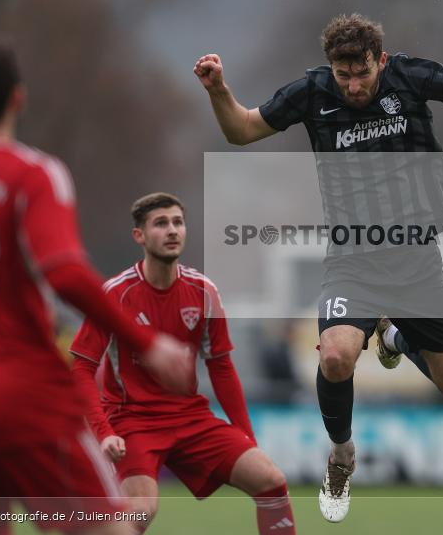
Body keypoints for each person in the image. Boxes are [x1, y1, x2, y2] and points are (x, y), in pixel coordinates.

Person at [194, 0, 443, 522]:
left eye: (362, 72)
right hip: (353, 260)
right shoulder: (313, 93)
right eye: (344, 76)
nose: (354, 85)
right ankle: (341, 454)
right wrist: (218, 90)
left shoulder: (409, 77)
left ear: (379, 61)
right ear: (330, 69)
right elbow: (243, 129)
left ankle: (393, 334)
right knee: (336, 356)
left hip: (417, 261)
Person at [0, 33, 193, 534]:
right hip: (27, 403)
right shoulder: (32, 174)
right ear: (18, 98)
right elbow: (64, 270)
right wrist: (147, 343)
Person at [70, 193, 295, 535]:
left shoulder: (204, 291)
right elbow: (81, 368)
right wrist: (104, 432)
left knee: (271, 481)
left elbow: (221, 366)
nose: (172, 230)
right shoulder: (115, 294)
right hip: (132, 422)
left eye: (178, 222)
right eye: (161, 223)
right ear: (140, 236)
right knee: (139, 512)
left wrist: (246, 434)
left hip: (189, 416)